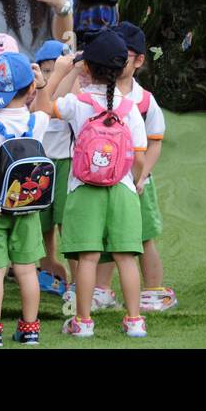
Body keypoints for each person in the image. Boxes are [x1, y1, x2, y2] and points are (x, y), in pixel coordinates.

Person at [33, 29, 148, 339]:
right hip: (123, 191)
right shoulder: (130, 107)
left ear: (86, 68)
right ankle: (135, 321)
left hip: (83, 190)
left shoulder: (77, 103)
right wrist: (135, 180)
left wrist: (54, 75)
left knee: (87, 258)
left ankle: (83, 322)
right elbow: (139, 152)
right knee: (126, 257)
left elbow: (41, 110)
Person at [92, 21, 173, 312]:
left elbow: (155, 141)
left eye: (122, 55)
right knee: (102, 237)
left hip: (136, 182)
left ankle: (152, 290)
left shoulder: (145, 101)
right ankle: (100, 290)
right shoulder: (94, 94)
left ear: (139, 60)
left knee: (143, 236)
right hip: (102, 181)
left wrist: (143, 174)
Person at [0, 51, 47, 345]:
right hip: (29, 205)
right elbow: (42, 107)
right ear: (29, 89)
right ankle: (30, 330)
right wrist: (39, 87)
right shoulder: (37, 121)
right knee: (27, 269)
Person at [33, 38, 70, 294]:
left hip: (67, 162)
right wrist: (48, 81)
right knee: (42, 221)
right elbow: (38, 109)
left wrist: (61, 76)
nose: (49, 75)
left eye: (54, 68)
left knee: (65, 222)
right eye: (45, 70)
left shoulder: (75, 90)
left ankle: (78, 277)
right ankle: (46, 267)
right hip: (42, 161)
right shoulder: (35, 92)